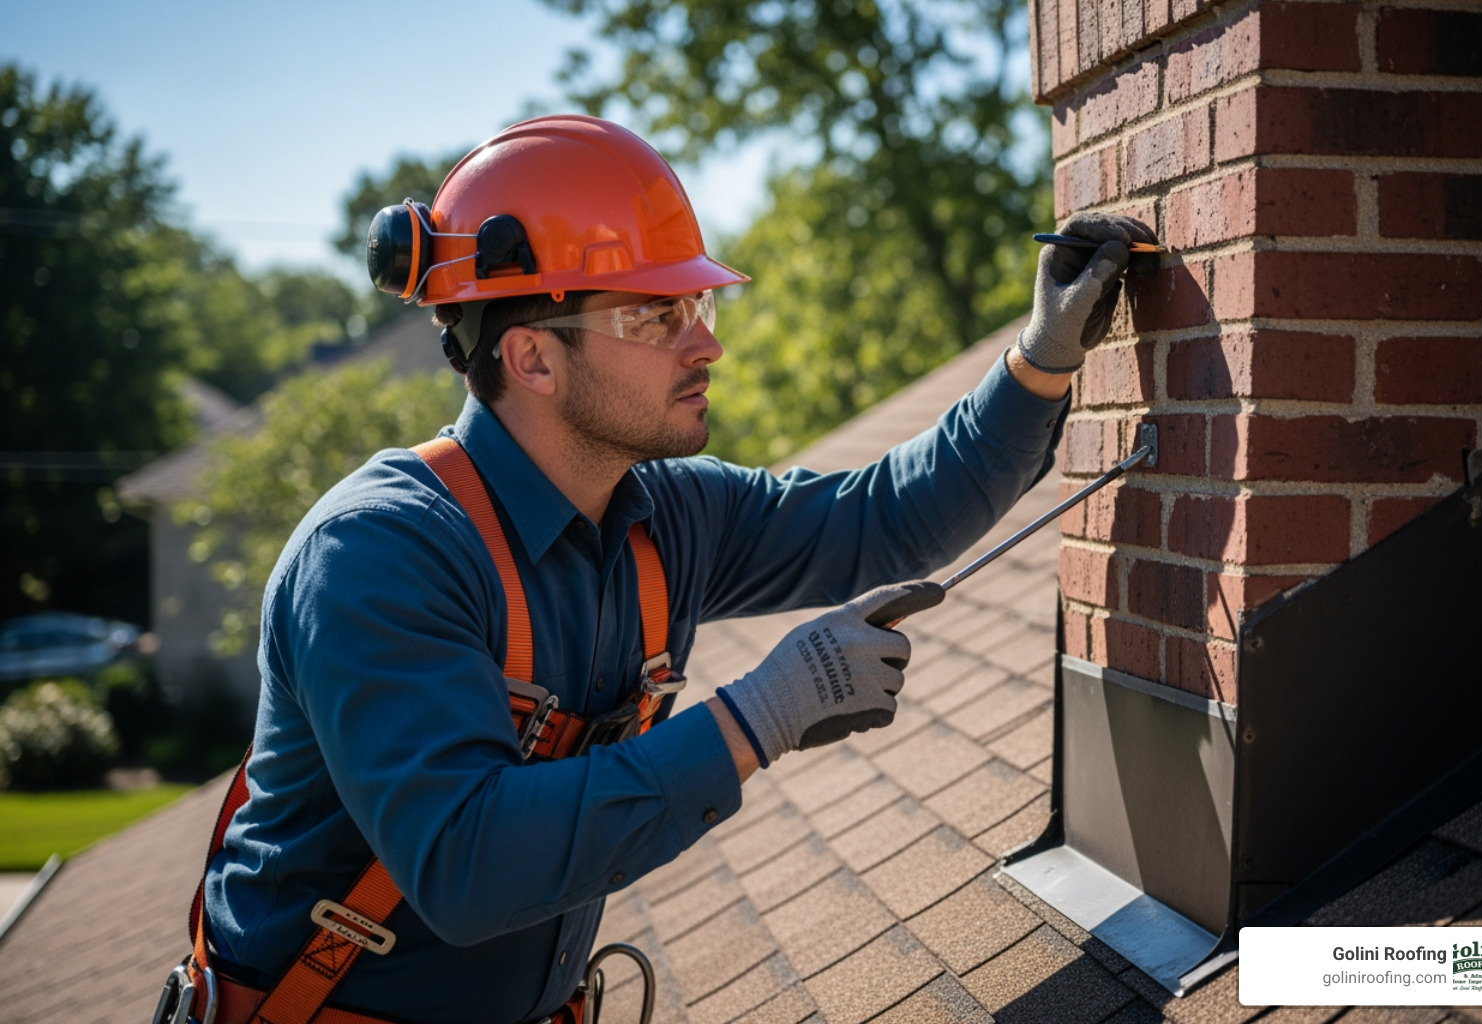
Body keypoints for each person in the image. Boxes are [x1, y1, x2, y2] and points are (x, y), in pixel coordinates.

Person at [191, 115, 1147, 1024]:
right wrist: (754, 719)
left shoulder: (668, 515)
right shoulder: (378, 556)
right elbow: (466, 865)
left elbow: (888, 515)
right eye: (656, 316)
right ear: (530, 358)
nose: (708, 342)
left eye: (697, 303)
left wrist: (1040, 360)